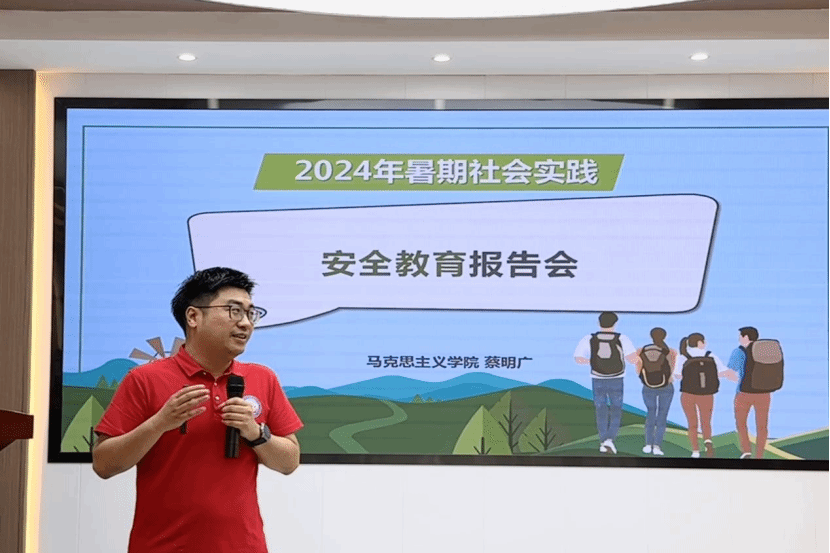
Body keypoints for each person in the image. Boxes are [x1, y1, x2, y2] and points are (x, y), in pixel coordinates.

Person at [92, 267, 303, 553]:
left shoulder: (262, 378)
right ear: (193, 317)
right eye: (234, 311)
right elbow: (104, 464)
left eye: (250, 313)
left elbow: (289, 461)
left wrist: (255, 432)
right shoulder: (144, 379)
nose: (245, 324)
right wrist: (159, 423)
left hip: (243, 546)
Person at [574, 311, 638, 454]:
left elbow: (578, 358)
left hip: (597, 378)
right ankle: (610, 439)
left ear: (599, 323)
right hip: (617, 378)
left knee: (600, 409)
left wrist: (594, 362)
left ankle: (603, 440)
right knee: (616, 409)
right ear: (615, 324)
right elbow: (632, 359)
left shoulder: (589, 338)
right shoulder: (622, 338)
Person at [674, 333, 730, 458]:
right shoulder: (710, 355)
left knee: (692, 423)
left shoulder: (683, 356)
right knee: (706, 421)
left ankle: (695, 450)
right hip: (707, 394)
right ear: (700, 343)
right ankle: (708, 442)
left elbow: (677, 375)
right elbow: (722, 372)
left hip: (688, 394)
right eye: (704, 341)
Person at [724, 326, 771, 459]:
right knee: (762, 425)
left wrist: (740, 380)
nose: (739, 338)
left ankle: (746, 451)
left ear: (745, 337)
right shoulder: (765, 351)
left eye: (740, 336)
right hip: (764, 393)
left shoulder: (739, 351)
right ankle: (759, 455)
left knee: (741, 423)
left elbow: (730, 372)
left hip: (744, 393)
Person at [634, 327, 677, 456]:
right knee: (662, 416)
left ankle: (648, 444)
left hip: (648, 387)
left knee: (650, 414)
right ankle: (657, 446)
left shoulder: (641, 350)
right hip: (666, 387)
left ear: (651, 337)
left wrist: (647, 379)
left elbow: (638, 370)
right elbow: (671, 373)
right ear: (665, 337)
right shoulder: (671, 352)